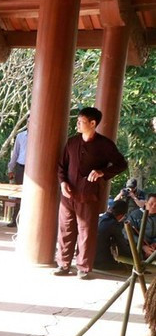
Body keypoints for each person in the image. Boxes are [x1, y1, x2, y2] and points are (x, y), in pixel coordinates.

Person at [54, 107, 127, 279]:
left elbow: (121, 164)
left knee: (86, 232)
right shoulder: (72, 142)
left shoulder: (105, 145)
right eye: (78, 120)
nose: (77, 124)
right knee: (65, 229)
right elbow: (61, 166)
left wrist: (103, 172)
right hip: (68, 194)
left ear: (93, 123)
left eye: (81, 121)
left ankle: (83, 267)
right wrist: (63, 183)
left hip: (89, 195)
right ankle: (63, 264)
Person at [94, 200, 133, 271]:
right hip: (99, 262)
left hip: (86, 259)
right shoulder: (114, 224)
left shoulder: (98, 218)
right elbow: (122, 245)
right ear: (121, 215)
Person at [7, 123, 28, 228]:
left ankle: (28, 221)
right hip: (21, 167)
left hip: (35, 169)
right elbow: (15, 153)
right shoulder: (20, 136)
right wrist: (10, 168)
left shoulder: (41, 135)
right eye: (29, 121)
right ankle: (15, 219)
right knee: (19, 194)